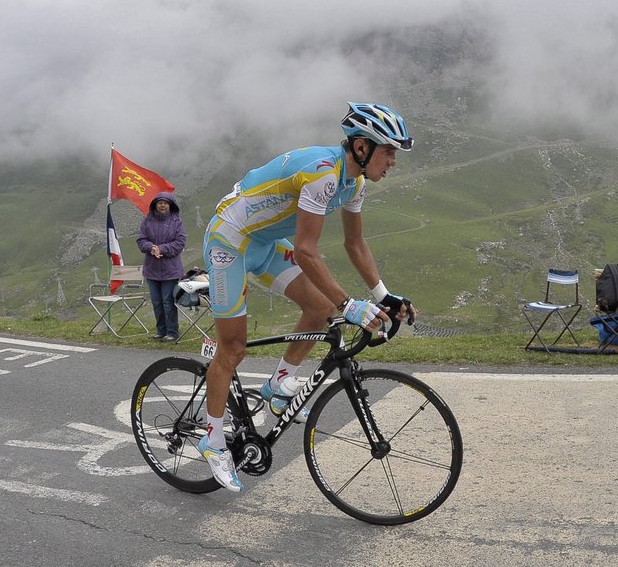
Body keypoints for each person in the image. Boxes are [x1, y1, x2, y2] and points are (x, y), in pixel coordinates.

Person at [197, 102, 417, 492]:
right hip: (228, 242)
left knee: (319, 309)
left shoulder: (355, 183)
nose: (394, 161)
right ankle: (212, 441)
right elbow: (306, 251)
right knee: (232, 348)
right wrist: (350, 305)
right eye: (389, 151)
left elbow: (355, 242)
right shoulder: (322, 175)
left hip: (261, 242)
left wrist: (383, 296)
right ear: (363, 148)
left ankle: (279, 385)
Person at [136, 192, 187, 342]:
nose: (163, 205)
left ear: (170, 205)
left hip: (170, 270)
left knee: (168, 302)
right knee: (157, 302)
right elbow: (140, 239)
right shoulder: (147, 222)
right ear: (155, 205)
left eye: (166, 203)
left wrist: (162, 249)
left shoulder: (177, 222)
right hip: (152, 270)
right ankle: (160, 331)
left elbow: (180, 242)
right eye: (160, 203)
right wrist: (151, 247)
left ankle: (172, 332)